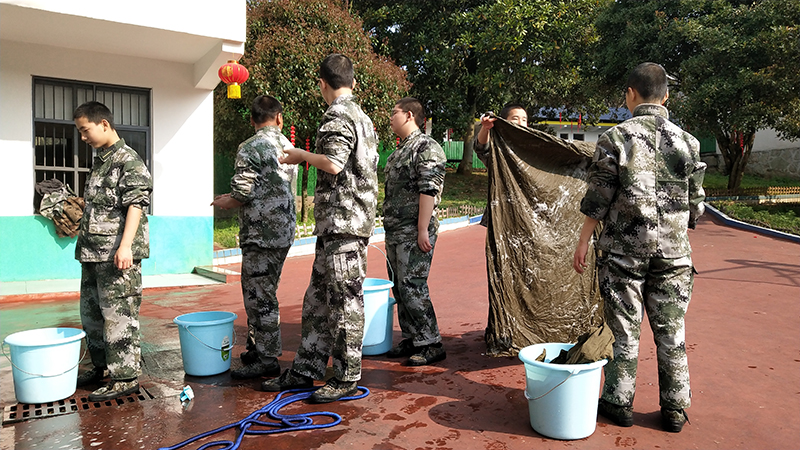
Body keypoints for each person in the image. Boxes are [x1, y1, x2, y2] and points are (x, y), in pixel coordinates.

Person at [572, 62, 706, 433]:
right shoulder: (689, 142)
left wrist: (583, 240)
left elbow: (598, 198)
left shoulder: (615, 138)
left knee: (624, 329)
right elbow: (696, 206)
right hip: (674, 256)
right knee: (672, 331)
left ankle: (618, 401)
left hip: (624, 255)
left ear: (630, 94)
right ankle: (675, 408)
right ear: (666, 96)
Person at [261, 53, 379, 403]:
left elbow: (333, 162)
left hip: (343, 223)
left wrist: (301, 155)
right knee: (317, 300)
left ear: (322, 84)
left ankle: (346, 376)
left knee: (344, 302)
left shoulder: (337, 116)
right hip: (342, 224)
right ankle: (306, 368)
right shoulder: (364, 119)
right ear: (353, 82)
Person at [211, 95, 297, 380]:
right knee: (265, 291)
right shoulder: (288, 146)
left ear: (252, 120)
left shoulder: (250, 146)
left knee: (260, 297)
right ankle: (257, 347)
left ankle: (268, 358)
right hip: (283, 232)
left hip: (261, 235)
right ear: (279, 118)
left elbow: (243, 193)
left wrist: (225, 201)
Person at [72, 101, 153, 402]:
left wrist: (126, 246)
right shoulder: (100, 160)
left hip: (116, 256)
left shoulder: (128, 161)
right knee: (92, 315)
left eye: (85, 131)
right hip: (92, 254)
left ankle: (125, 377)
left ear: (104, 124)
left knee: (119, 315)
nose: (83, 138)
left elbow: (136, 205)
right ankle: (101, 366)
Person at [382, 97, 447, 366]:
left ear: (409, 115)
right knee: (399, 287)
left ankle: (431, 342)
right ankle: (412, 337)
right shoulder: (400, 151)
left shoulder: (427, 148)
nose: (390, 118)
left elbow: (428, 190)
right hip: (397, 230)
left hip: (413, 231)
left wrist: (422, 229)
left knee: (413, 286)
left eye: (394, 113)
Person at [473, 102, 528, 227]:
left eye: (524, 120)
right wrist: (486, 128)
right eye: (515, 118)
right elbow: (481, 149)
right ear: (504, 122)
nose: (520, 122)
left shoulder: (535, 149)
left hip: (528, 217)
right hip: (501, 216)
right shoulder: (499, 150)